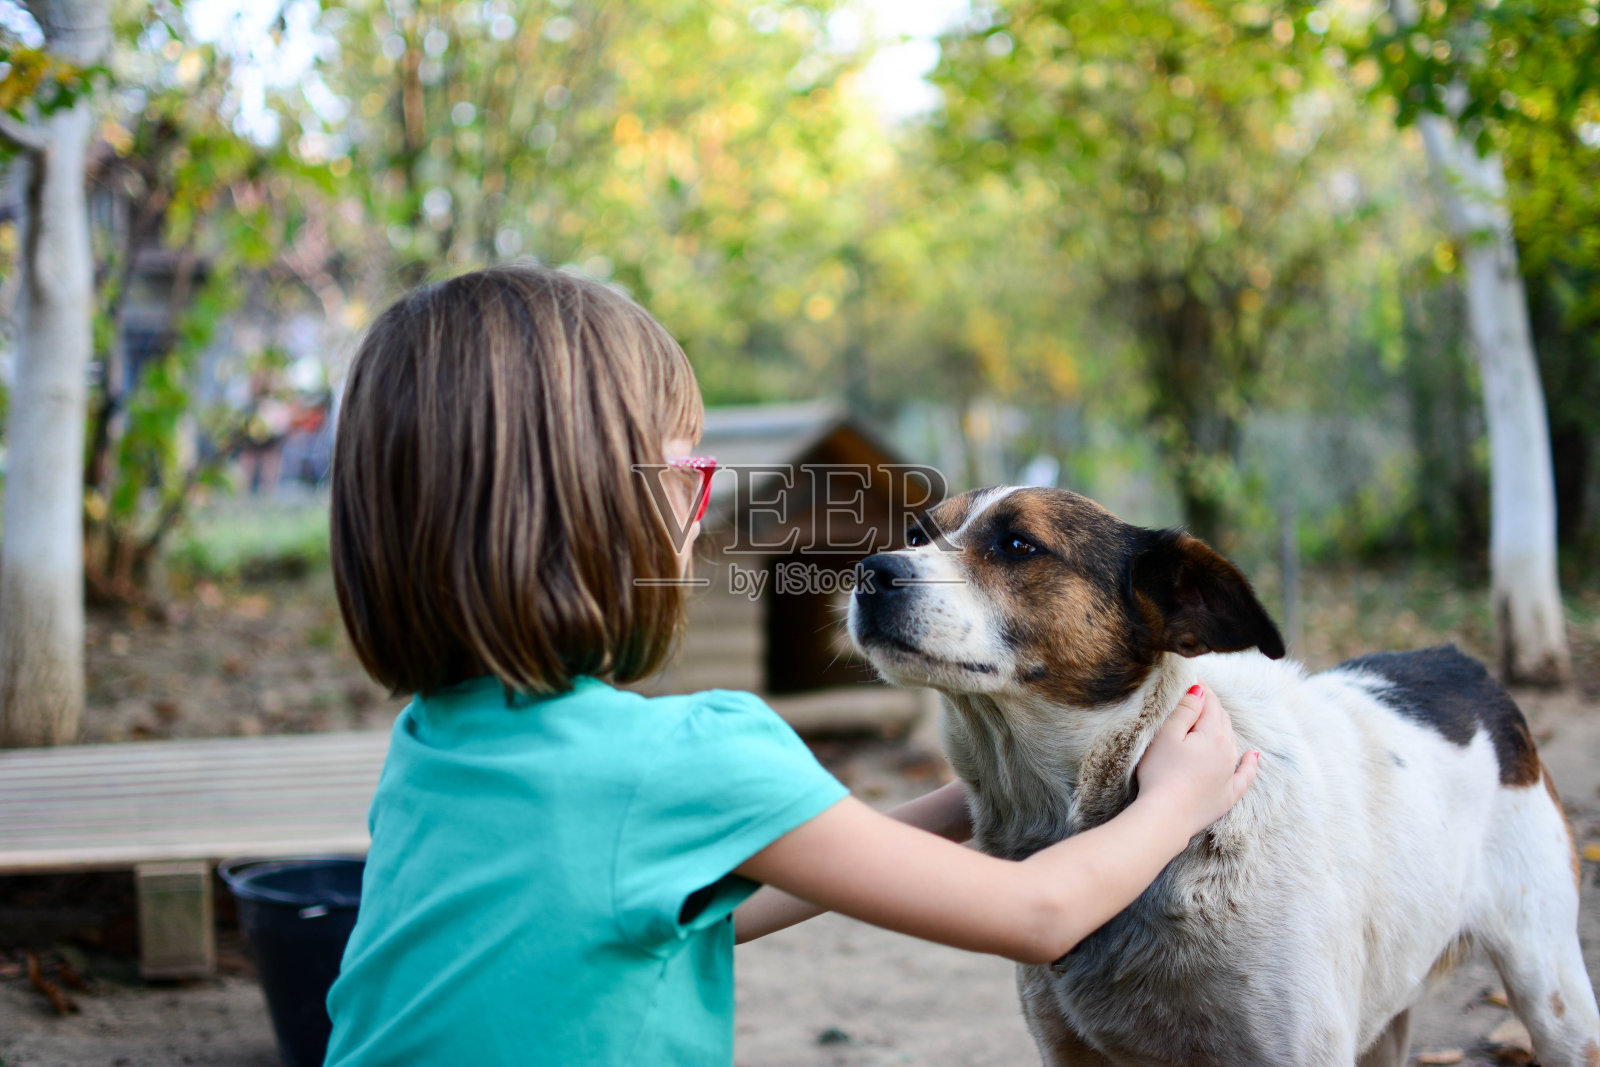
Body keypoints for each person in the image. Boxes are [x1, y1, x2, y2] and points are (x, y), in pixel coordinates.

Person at [322, 263, 1260, 1066]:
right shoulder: (690, 752)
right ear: (593, 515)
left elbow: (693, 916)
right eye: (687, 475)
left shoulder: (431, 745)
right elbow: (1038, 912)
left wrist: (966, 805)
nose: (701, 511)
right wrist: (1179, 797)